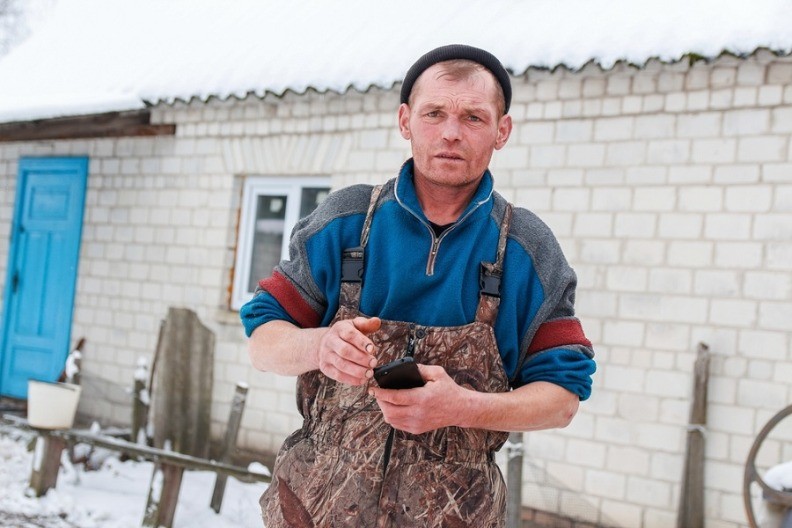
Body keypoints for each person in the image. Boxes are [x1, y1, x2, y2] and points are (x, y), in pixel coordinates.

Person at [241, 44, 596, 528]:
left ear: (502, 131)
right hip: (311, 510)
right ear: (406, 121)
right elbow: (263, 343)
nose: (451, 133)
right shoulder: (347, 223)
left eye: (473, 117)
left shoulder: (525, 250)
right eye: (435, 113)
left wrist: (464, 407)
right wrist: (318, 345)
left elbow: (562, 400)